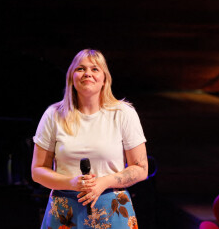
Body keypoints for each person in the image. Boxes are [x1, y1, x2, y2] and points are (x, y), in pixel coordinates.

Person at [31, 49, 148, 229]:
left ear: (104, 79)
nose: (88, 74)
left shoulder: (123, 113)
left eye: (95, 69)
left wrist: (104, 182)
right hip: (65, 209)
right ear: (71, 77)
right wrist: (71, 182)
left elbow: (141, 168)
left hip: (112, 207)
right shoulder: (53, 115)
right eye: (81, 69)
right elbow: (38, 170)